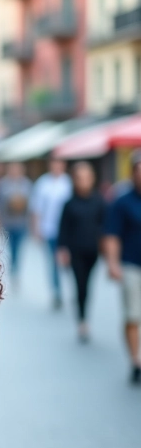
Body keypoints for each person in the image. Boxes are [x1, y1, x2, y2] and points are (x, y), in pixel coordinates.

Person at [56, 161, 106, 343]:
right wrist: (62, 250)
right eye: (80, 178)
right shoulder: (69, 204)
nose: (83, 181)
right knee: (80, 284)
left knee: (88, 285)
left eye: (87, 178)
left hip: (93, 251)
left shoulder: (99, 201)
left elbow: (106, 227)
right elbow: (63, 228)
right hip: (75, 250)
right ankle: (82, 321)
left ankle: (84, 311)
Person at [104, 152, 141, 385]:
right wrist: (112, 263)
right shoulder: (122, 201)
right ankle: (135, 360)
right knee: (132, 315)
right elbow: (112, 235)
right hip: (131, 265)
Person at [31, 157, 73, 309]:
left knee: (68, 261)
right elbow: (36, 208)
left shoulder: (68, 182)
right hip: (50, 229)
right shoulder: (43, 183)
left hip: (68, 230)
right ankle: (57, 292)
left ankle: (72, 288)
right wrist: (36, 229)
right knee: (54, 262)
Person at [0, 161, 32, 277]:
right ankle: (12, 265)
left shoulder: (26, 184)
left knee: (18, 247)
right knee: (10, 246)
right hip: (8, 222)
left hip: (21, 222)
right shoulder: (3, 184)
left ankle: (15, 266)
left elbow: (31, 205)